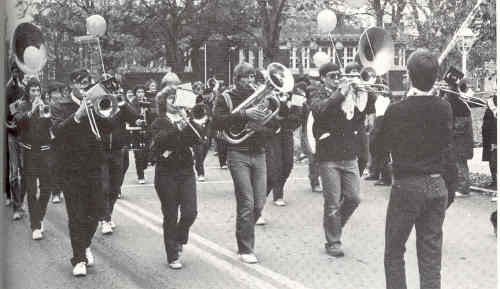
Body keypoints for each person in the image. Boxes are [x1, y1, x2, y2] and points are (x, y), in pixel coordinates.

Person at [376, 49, 455, 289]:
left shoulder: (396, 110)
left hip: (407, 185)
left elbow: (377, 149)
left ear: (409, 76)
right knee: (430, 256)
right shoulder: (444, 107)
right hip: (436, 184)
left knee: (394, 251)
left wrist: (380, 115)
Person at [51, 69, 111, 276]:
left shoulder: (96, 104)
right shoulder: (60, 106)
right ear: (72, 86)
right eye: (81, 83)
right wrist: (77, 116)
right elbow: (57, 133)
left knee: (96, 213)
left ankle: (85, 244)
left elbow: (110, 127)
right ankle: (78, 259)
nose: (85, 86)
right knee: (76, 215)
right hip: (71, 170)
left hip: (94, 167)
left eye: (88, 82)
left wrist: (111, 106)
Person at [212, 62, 270, 264]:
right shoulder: (226, 97)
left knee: (259, 203)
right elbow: (217, 122)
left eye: (253, 77)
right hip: (238, 152)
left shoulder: (261, 96)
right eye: (247, 77)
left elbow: (273, 125)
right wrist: (244, 114)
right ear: (237, 79)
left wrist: (261, 123)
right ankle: (246, 248)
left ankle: (242, 233)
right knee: (247, 201)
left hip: (259, 152)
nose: (251, 81)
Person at [309, 62, 364, 257]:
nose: (337, 79)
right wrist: (340, 93)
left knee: (354, 197)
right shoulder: (316, 93)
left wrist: (360, 90)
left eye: (338, 75)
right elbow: (320, 110)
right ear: (323, 78)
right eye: (332, 76)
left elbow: (363, 113)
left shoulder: (349, 93)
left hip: (349, 153)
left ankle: (333, 225)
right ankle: (333, 241)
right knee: (332, 201)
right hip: (329, 155)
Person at [150, 75, 201, 269]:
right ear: (164, 102)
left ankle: (179, 237)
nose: (174, 102)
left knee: (190, 212)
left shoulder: (186, 119)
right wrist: (177, 127)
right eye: (170, 99)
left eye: (176, 98)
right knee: (170, 214)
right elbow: (160, 141)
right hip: (166, 173)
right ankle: (172, 255)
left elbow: (199, 139)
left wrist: (191, 121)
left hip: (186, 170)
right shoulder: (159, 121)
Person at [12, 78, 53, 240]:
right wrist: (31, 111)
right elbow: (17, 123)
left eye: (38, 90)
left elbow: (52, 125)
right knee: (31, 189)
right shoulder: (22, 105)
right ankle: (35, 226)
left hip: (44, 151)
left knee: (46, 189)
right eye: (33, 90)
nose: (36, 93)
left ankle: (39, 217)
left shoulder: (46, 104)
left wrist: (45, 112)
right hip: (29, 152)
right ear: (28, 91)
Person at [99, 85, 142, 235]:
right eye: (109, 90)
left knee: (115, 187)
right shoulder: (99, 105)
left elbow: (135, 117)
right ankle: (105, 219)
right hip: (101, 152)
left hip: (118, 151)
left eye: (115, 90)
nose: (113, 93)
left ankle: (107, 214)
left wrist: (123, 103)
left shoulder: (121, 107)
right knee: (104, 186)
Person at [442, 77, 474, 197]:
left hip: (461, 142)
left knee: (460, 163)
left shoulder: (460, 107)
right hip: (460, 141)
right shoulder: (460, 105)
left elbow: (459, 127)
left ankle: (463, 188)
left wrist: (450, 132)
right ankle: (460, 186)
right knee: (458, 163)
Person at [482, 94, 497, 189]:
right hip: (489, 136)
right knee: (492, 160)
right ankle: (494, 180)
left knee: (494, 160)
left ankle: (495, 181)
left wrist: (494, 141)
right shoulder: (491, 101)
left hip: (493, 137)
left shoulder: (493, 104)